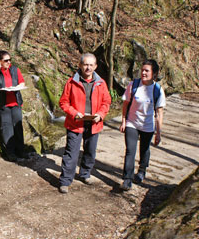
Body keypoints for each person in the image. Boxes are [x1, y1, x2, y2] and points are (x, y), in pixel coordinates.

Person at [58, 53, 111, 193]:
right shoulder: (71, 82)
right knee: (71, 153)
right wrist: (75, 113)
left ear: (95, 66)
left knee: (90, 151)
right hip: (75, 123)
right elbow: (63, 102)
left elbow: (106, 102)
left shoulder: (101, 83)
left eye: (91, 65)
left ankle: (85, 174)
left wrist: (100, 114)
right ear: (80, 65)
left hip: (94, 123)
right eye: (85, 64)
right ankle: (65, 181)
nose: (88, 68)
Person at [119, 59, 165, 190]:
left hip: (148, 126)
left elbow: (159, 113)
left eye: (147, 71)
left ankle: (141, 171)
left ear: (154, 74)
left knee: (144, 150)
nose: (143, 73)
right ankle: (127, 179)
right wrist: (123, 120)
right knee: (130, 150)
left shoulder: (157, 90)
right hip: (132, 123)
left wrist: (158, 132)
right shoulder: (133, 85)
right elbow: (126, 104)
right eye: (142, 70)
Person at [0, 49, 26, 162]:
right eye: (6, 60)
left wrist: (17, 87)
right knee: (7, 128)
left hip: (15, 102)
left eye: (10, 60)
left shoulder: (15, 69)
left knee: (18, 126)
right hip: (2, 104)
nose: (9, 62)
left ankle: (21, 151)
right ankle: (10, 153)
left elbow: (22, 82)